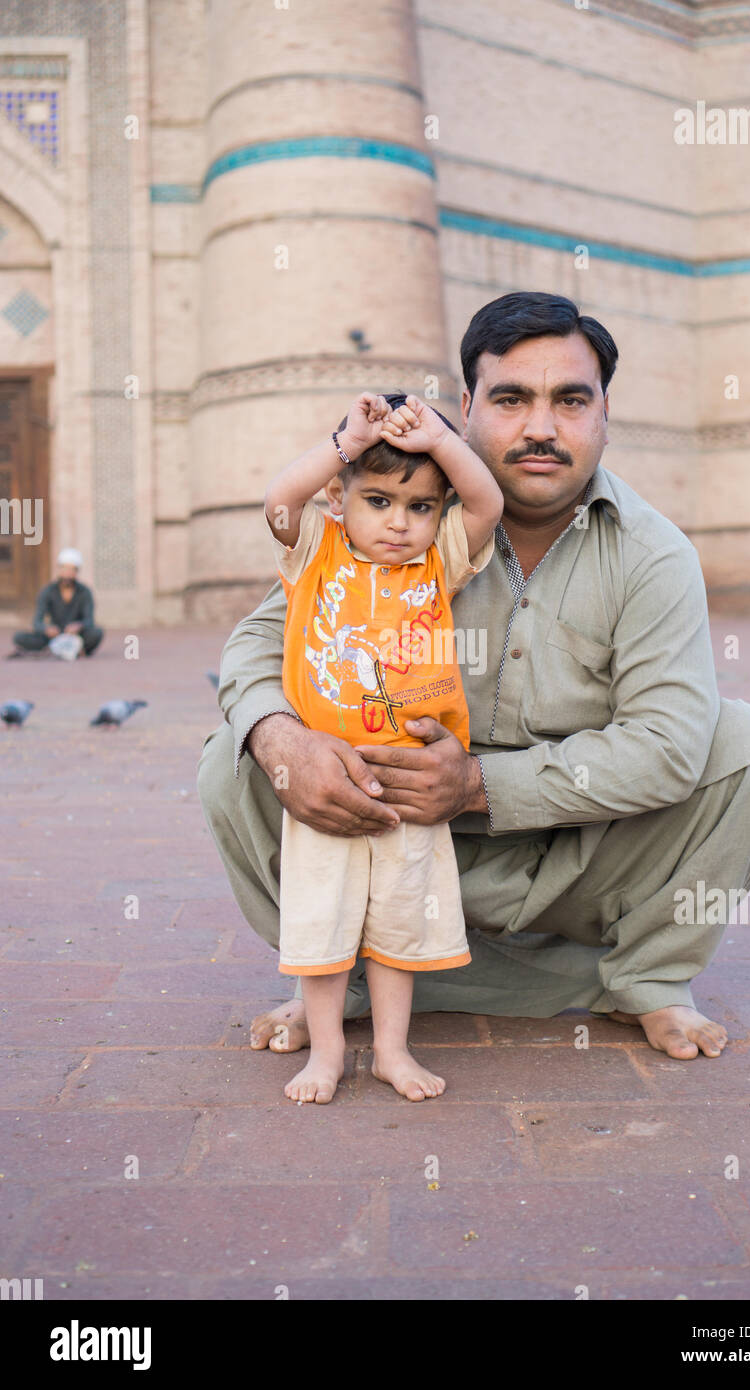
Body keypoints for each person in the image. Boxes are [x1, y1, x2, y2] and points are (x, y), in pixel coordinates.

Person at [197, 290, 750, 1067]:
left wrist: (476, 784)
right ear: (466, 410)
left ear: (604, 414)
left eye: (570, 400)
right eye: (512, 399)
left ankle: (647, 979)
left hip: (575, 865)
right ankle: (338, 976)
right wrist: (285, 742)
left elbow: (668, 745)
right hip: (382, 835)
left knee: (745, 747)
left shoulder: (652, 554)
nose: (541, 427)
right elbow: (253, 650)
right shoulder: (393, 527)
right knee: (235, 756)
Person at [263, 390, 502, 1102]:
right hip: (329, 786)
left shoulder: (439, 565)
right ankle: (328, 1054)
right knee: (324, 927)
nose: (399, 522)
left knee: (400, 923)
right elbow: (280, 503)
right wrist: (346, 440)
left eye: (421, 506)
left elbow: (484, 503)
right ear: (340, 501)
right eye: (378, 501)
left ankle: (394, 1050)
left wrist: (439, 437)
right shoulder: (317, 550)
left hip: (410, 786)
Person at [9, 548, 103, 658]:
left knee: (96, 633)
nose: (68, 573)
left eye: (72, 569)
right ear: (60, 569)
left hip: (76, 635)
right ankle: (62, 649)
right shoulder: (48, 591)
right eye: (65, 568)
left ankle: (68, 648)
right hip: (53, 635)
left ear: (76, 571)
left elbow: (89, 620)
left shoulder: (85, 592)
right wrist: (46, 629)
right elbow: (37, 621)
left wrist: (78, 626)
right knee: (19, 637)